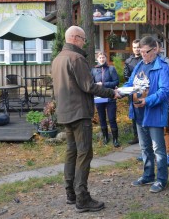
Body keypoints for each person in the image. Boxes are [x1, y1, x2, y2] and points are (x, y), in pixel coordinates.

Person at [52, 26, 120, 213]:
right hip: (79, 112)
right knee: (84, 154)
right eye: (83, 39)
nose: (84, 42)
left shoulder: (58, 59)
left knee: (71, 152)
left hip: (65, 112)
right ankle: (82, 198)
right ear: (74, 38)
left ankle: (70, 194)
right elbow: (89, 86)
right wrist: (112, 93)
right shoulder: (76, 58)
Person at [123, 36, 169, 193]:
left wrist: (147, 101)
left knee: (158, 148)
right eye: (141, 52)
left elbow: (164, 91)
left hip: (154, 113)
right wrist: (121, 91)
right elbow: (130, 83)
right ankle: (148, 174)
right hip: (138, 113)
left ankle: (162, 179)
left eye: (146, 52)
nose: (143, 55)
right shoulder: (139, 66)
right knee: (144, 147)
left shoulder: (162, 67)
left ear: (155, 49)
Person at [91, 52, 120, 147]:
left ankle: (115, 139)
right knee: (102, 118)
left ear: (106, 58)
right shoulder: (94, 70)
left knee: (112, 118)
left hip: (110, 97)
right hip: (99, 98)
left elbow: (116, 82)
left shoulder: (111, 69)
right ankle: (105, 137)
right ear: (97, 59)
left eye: (103, 57)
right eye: (100, 57)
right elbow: (91, 84)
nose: (102, 59)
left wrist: (103, 84)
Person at [155, 39, 169, 166]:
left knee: (168, 128)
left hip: (165, 99)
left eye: (155, 47)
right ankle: (157, 152)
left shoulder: (167, 63)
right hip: (153, 100)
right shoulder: (148, 62)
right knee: (156, 128)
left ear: (160, 49)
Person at [124, 39, 142, 145]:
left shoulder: (144, 59)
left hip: (144, 90)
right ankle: (136, 136)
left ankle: (144, 136)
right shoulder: (128, 61)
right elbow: (126, 75)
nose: (136, 49)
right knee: (134, 114)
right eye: (134, 47)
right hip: (132, 90)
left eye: (138, 47)